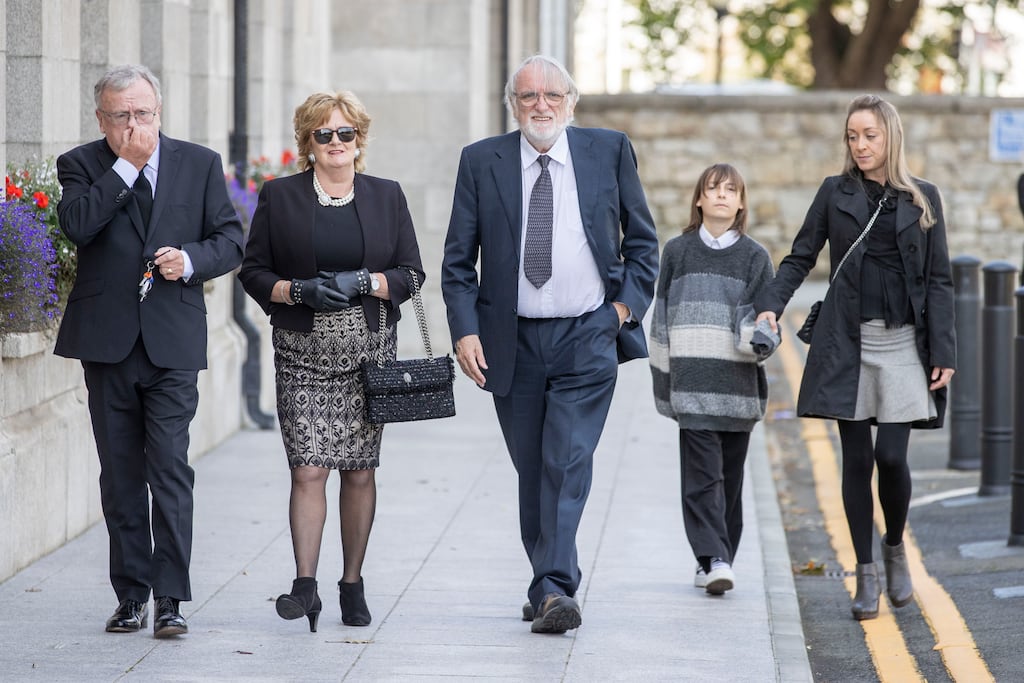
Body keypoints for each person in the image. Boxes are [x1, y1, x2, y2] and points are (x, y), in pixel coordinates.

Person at [441, 54, 659, 634]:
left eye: (553, 96)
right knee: (533, 469)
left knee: (567, 461)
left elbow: (643, 242)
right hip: (511, 340)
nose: (541, 106)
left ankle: (556, 587)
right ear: (513, 105)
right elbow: (459, 261)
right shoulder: (480, 161)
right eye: (529, 97)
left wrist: (620, 310)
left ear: (571, 102)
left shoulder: (607, 151)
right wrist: (464, 330)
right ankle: (546, 582)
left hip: (587, 334)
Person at [54, 64, 244, 637]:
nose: (135, 125)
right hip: (107, 342)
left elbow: (230, 240)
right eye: (122, 116)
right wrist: (126, 167)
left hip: (171, 341)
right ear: (101, 118)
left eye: (144, 114)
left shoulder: (200, 163)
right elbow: (78, 226)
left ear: (159, 111)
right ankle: (131, 594)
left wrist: (189, 262)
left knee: (169, 470)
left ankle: (171, 599)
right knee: (119, 476)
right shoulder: (81, 165)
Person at [755, 94, 956, 620]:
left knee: (891, 457)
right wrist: (771, 307)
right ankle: (864, 572)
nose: (860, 145)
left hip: (905, 346)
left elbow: (939, 281)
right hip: (848, 343)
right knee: (858, 460)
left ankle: (895, 550)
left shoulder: (924, 198)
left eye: (869, 135)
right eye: (852, 136)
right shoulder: (833, 193)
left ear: (890, 136)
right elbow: (801, 255)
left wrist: (945, 351)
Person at [238, 91, 424, 632]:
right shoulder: (280, 197)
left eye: (346, 133)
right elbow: (253, 273)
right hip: (301, 355)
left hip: (368, 355)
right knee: (308, 468)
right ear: (308, 143)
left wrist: (365, 281)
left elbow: (412, 275)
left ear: (359, 140)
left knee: (360, 473)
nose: (336, 143)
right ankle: (305, 584)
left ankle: (352, 582)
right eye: (325, 134)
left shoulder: (387, 197)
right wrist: (298, 292)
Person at [649, 163, 778, 597]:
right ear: (699, 200)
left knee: (730, 482)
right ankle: (716, 557)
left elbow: (765, 321)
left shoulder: (756, 257)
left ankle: (715, 560)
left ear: (741, 202)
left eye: (731, 190)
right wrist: (663, 385)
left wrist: (762, 338)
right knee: (702, 480)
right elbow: (661, 320)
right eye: (712, 188)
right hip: (692, 386)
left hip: (737, 389)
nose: (721, 195)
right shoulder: (678, 252)